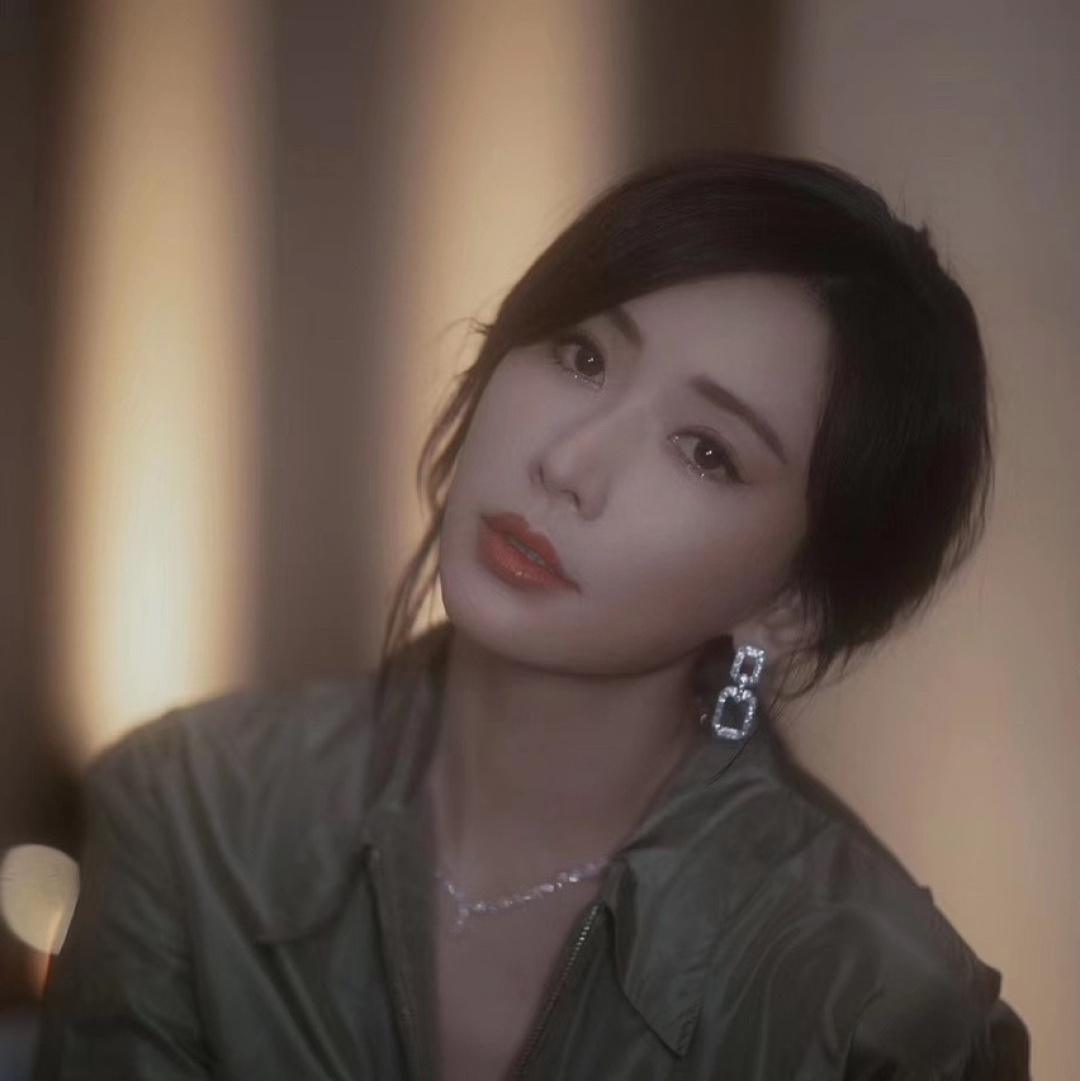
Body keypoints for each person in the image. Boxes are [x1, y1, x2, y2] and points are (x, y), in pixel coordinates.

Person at [34, 153, 1030, 1080]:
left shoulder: (886, 1015)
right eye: (583, 357)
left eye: (705, 450)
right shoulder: (189, 813)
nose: (568, 462)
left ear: (793, 603)